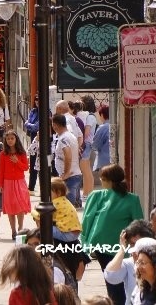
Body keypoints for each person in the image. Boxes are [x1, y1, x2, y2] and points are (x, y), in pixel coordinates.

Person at [81, 164, 144, 304]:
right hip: (112, 249)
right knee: (116, 281)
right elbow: (139, 224)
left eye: (102, 179)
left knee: (116, 281)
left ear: (110, 180)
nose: (101, 181)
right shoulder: (130, 199)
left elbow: (87, 219)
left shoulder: (100, 196)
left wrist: (84, 241)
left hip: (113, 248)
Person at [103, 223, 156, 305]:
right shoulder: (128, 264)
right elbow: (110, 276)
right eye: (132, 244)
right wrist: (122, 249)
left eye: (143, 263)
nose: (135, 251)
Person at [0, 130, 31, 239]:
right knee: (11, 207)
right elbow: (0, 170)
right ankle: (13, 230)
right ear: (5, 141)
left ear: (16, 139)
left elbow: (25, 167)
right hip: (7, 183)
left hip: (19, 181)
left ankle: (20, 228)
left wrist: (17, 161)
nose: (10, 141)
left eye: (12, 138)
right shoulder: (3, 154)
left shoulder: (22, 153)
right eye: (8, 139)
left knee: (20, 206)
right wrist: (0, 184)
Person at [52, 113, 82, 206]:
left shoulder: (64, 138)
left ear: (55, 125)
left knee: (68, 207)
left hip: (70, 177)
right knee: (73, 207)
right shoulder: (70, 136)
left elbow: (68, 155)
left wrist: (66, 173)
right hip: (74, 174)